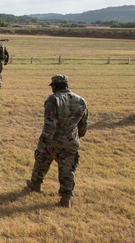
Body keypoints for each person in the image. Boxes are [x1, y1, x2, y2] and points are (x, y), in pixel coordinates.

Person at [26, 74, 89, 208]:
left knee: (42, 160)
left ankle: (35, 184)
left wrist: (45, 142)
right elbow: (83, 126)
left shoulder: (54, 100)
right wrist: (77, 136)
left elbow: (50, 124)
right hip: (71, 141)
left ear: (55, 86)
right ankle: (66, 198)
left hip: (53, 140)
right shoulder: (81, 101)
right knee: (68, 169)